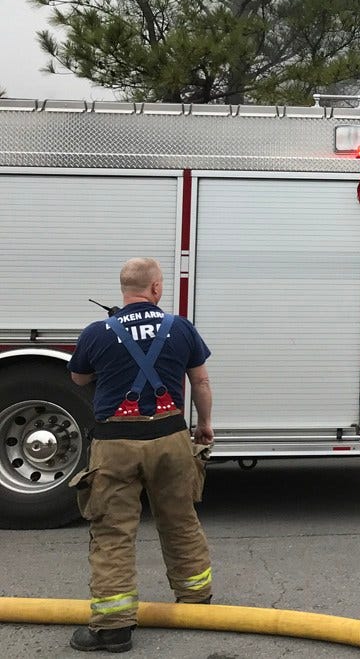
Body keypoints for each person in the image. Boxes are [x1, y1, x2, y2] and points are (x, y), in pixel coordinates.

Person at [66, 258, 215, 653]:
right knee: (180, 518)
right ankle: (197, 603)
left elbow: (79, 378)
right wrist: (205, 425)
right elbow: (199, 380)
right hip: (170, 437)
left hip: (115, 444)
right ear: (156, 289)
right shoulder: (180, 327)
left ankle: (113, 627)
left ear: (123, 290)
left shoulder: (98, 331)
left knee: (113, 531)